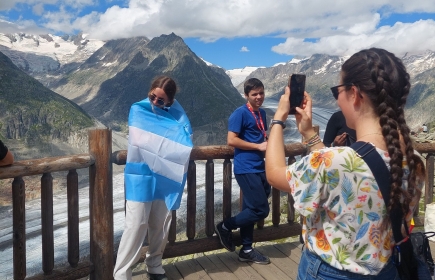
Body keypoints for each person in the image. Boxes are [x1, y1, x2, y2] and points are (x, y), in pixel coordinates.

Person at [265, 48, 426, 279]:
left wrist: (278, 118)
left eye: (337, 91)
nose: (337, 99)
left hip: (329, 273)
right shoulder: (416, 162)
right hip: (388, 270)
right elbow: (345, 170)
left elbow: (274, 173)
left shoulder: (333, 163)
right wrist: (310, 135)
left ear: (354, 93)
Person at [113, 76, 193, 280]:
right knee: (135, 224)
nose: (156, 102)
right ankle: (122, 273)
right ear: (149, 91)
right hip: (140, 174)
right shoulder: (138, 109)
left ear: (170, 101)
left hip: (165, 176)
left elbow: (185, 140)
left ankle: (154, 265)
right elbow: (139, 138)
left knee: (161, 223)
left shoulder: (178, 116)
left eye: (161, 100)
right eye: (153, 97)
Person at [214, 78, 271, 265]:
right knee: (261, 210)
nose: (259, 97)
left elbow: (261, 135)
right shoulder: (239, 113)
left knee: (251, 208)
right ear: (246, 95)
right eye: (254, 94)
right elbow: (231, 140)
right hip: (245, 167)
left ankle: (246, 250)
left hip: (260, 166)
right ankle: (224, 226)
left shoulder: (262, 114)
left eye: (261, 93)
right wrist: (258, 146)